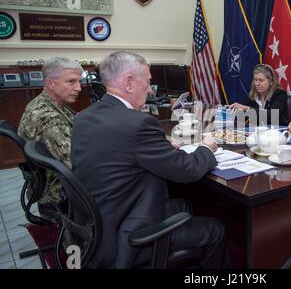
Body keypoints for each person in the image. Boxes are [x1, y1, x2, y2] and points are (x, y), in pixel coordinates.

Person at [71, 51, 227, 269]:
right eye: (148, 81)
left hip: (97, 223)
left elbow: (120, 152)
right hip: (123, 235)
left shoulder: (83, 117)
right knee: (215, 229)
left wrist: (160, 148)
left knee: (182, 204)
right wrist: (206, 148)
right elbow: (187, 170)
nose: (149, 88)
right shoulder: (139, 124)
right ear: (128, 82)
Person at [18, 57, 83, 222]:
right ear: (50, 83)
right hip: (59, 191)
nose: (79, 88)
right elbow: (76, 163)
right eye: (71, 81)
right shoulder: (46, 116)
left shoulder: (51, 104)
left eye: (79, 81)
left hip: (53, 183)